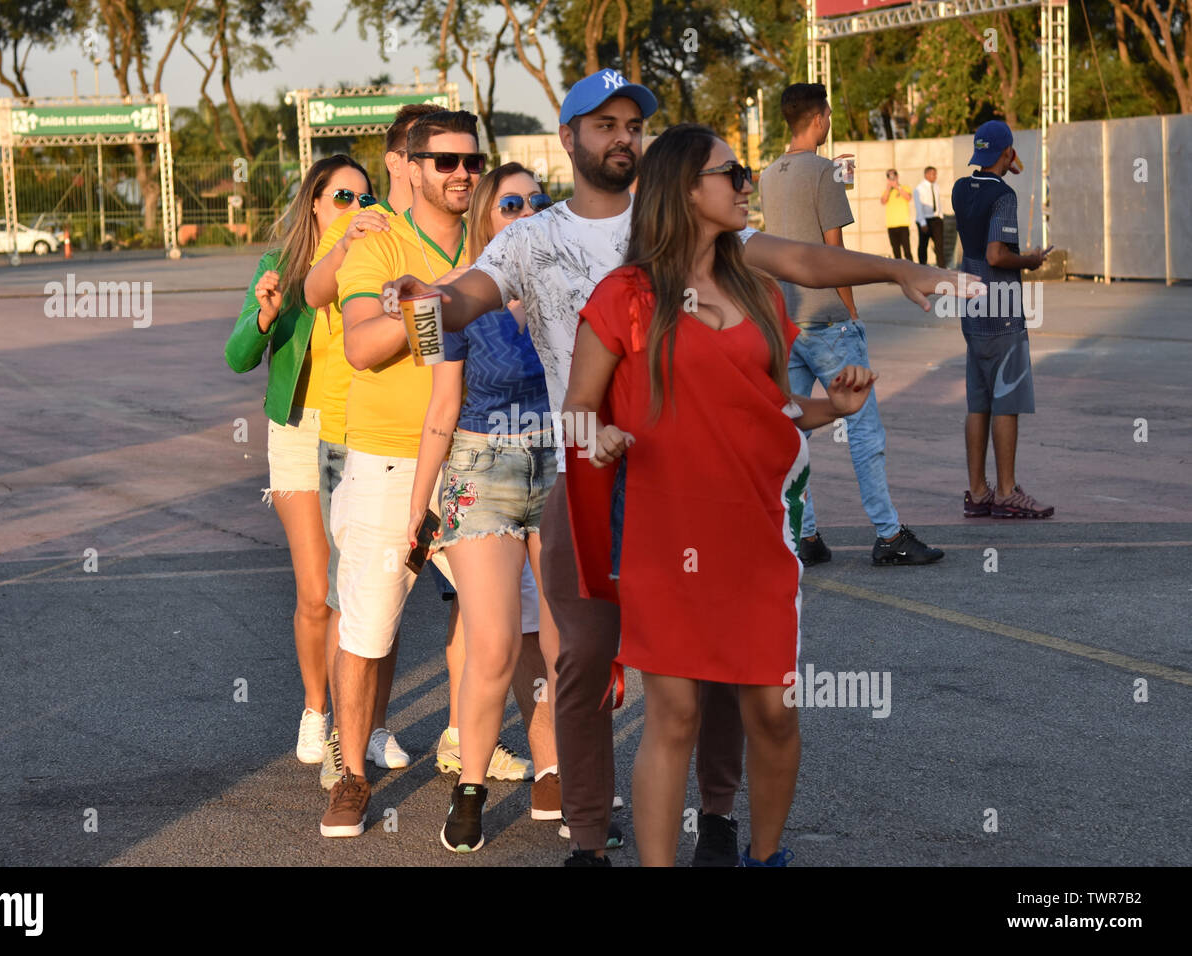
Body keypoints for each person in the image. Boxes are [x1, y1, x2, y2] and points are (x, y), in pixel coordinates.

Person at [384, 68, 972, 866]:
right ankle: (590, 837)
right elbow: (460, 304)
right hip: (588, 479)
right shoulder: (531, 236)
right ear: (569, 138)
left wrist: (896, 270)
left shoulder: (678, 224)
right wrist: (426, 300)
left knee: (715, 674)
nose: (622, 135)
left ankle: (721, 818)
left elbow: (797, 260)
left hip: (697, 487)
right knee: (585, 663)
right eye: (604, 124)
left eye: (633, 124)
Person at [563, 123, 880, 867]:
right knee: (672, 714)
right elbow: (578, 407)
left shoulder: (760, 292)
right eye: (730, 173)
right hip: (664, 533)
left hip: (756, 532)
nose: (744, 185)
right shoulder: (626, 296)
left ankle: (765, 859)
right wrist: (596, 437)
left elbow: (776, 409)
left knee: (773, 712)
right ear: (684, 189)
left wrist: (835, 404)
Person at [303, 104, 481, 788]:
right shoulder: (373, 238)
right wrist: (429, 305)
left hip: (476, 457)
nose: (461, 173)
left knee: (502, 614)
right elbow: (359, 342)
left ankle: (473, 747)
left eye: (473, 162)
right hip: (384, 456)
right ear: (406, 164)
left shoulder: (493, 239)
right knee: (368, 624)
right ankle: (348, 773)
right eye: (445, 161)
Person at [405, 162, 562, 852]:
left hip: (557, 464)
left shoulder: (570, 292)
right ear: (486, 221)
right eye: (511, 203)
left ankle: (560, 772)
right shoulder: (450, 299)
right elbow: (439, 406)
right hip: (479, 472)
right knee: (494, 643)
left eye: (538, 201)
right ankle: (471, 786)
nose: (528, 212)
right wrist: (419, 509)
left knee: (565, 645)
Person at [223, 155, 373, 765]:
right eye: (343, 198)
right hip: (297, 433)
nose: (356, 210)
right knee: (317, 591)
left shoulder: (374, 257)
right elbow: (237, 357)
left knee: (353, 592)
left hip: (360, 432)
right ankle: (317, 711)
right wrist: (265, 314)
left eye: (367, 200)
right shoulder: (277, 266)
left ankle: (358, 724)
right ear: (314, 201)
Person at [760, 83, 943, 569]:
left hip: (786, 318)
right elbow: (833, 251)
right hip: (828, 320)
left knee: (795, 427)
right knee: (863, 428)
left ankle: (806, 534)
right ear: (819, 118)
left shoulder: (767, 175)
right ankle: (888, 534)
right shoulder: (823, 172)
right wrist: (853, 313)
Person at [951, 120, 1054, 519]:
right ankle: (1007, 492)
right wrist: (1030, 260)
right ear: (1008, 153)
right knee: (1006, 401)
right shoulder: (1005, 197)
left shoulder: (962, 188)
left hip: (971, 304)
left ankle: (978, 493)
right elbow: (997, 255)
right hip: (1002, 308)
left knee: (978, 402)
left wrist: (1001, 162)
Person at [915, 166, 945, 267]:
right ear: (926, 174)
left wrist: (940, 216)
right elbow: (919, 207)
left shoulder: (936, 186)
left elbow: (938, 202)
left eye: (935, 174)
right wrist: (922, 223)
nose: (935, 176)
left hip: (936, 219)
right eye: (933, 174)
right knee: (923, 245)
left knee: (939, 245)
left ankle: (942, 268)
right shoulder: (919, 188)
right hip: (924, 220)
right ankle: (922, 267)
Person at [881, 169, 914, 260]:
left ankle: (911, 270)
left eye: (893, 176)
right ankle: (899, 272)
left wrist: (897, 187)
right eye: (889, 176)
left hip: (903, 224)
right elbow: (883, 201)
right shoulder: (887, 191)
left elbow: (908, 197)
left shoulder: (905, 188)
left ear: (897, 176)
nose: (892, 178)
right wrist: (888, 188)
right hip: (891, 225)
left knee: (907, 251)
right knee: (896, 251)